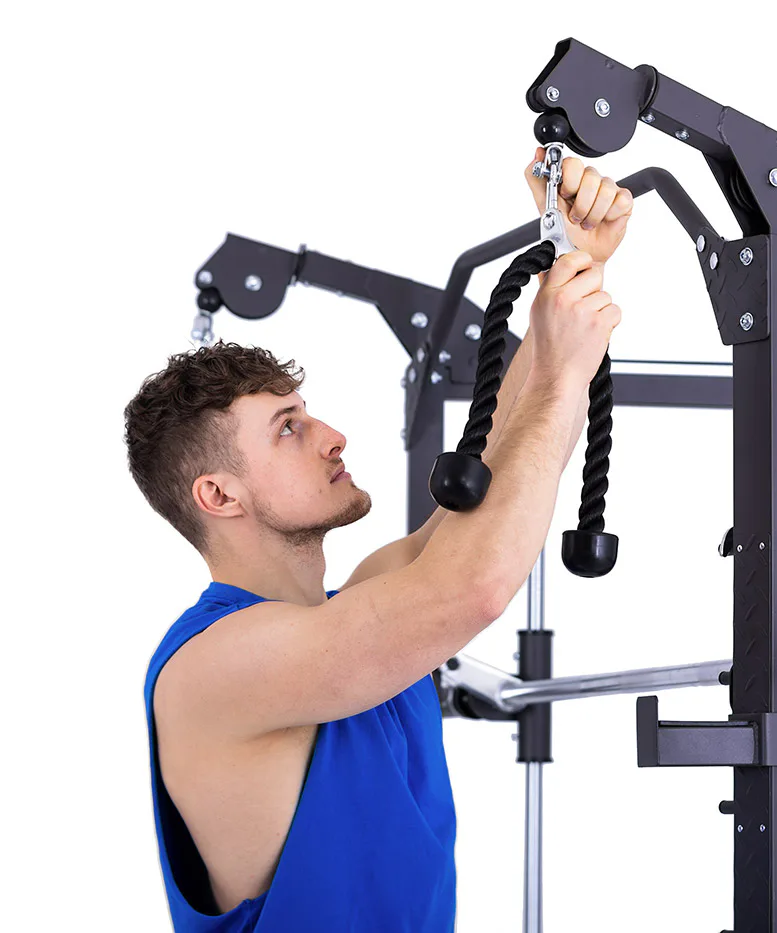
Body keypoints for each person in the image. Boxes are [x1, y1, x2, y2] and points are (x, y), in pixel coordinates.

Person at [128, 151, 632, 932]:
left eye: (307, 413)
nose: (332, 434)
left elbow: (505, 482)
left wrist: (571, 263)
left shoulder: (364, 600)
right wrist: (563, 372)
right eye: (288, 428)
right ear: (219, 495)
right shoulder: (209, 667)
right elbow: (475, 586)